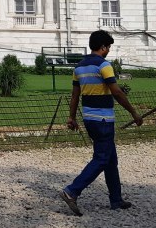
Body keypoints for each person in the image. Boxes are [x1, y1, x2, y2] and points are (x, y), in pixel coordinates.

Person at [60, 30, 143, 216]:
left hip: (89, 119)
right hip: (104, 120)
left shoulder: (79, 68)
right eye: (108, 47)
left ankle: (116, 199)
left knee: (110, 159)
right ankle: (71, 191)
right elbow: (117, 92)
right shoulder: (104, 66)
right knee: (102, 158)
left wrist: (71, 117)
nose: (109, 51)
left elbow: (75, 96)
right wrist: (134, 113)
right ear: (103, 47)